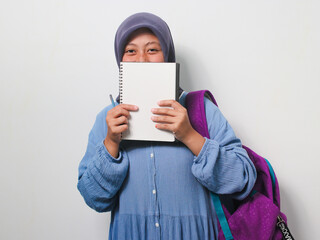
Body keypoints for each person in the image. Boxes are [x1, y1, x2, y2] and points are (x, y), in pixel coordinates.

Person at [77, 12, 257, 240]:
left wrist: (190, 135)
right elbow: (94, 199)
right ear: (120, 59)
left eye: (152, 49)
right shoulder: (108, 119)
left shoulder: (202, 109)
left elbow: (243, 180)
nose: (141, 59)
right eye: (131, 51)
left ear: (167, 55)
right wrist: (111, 143)